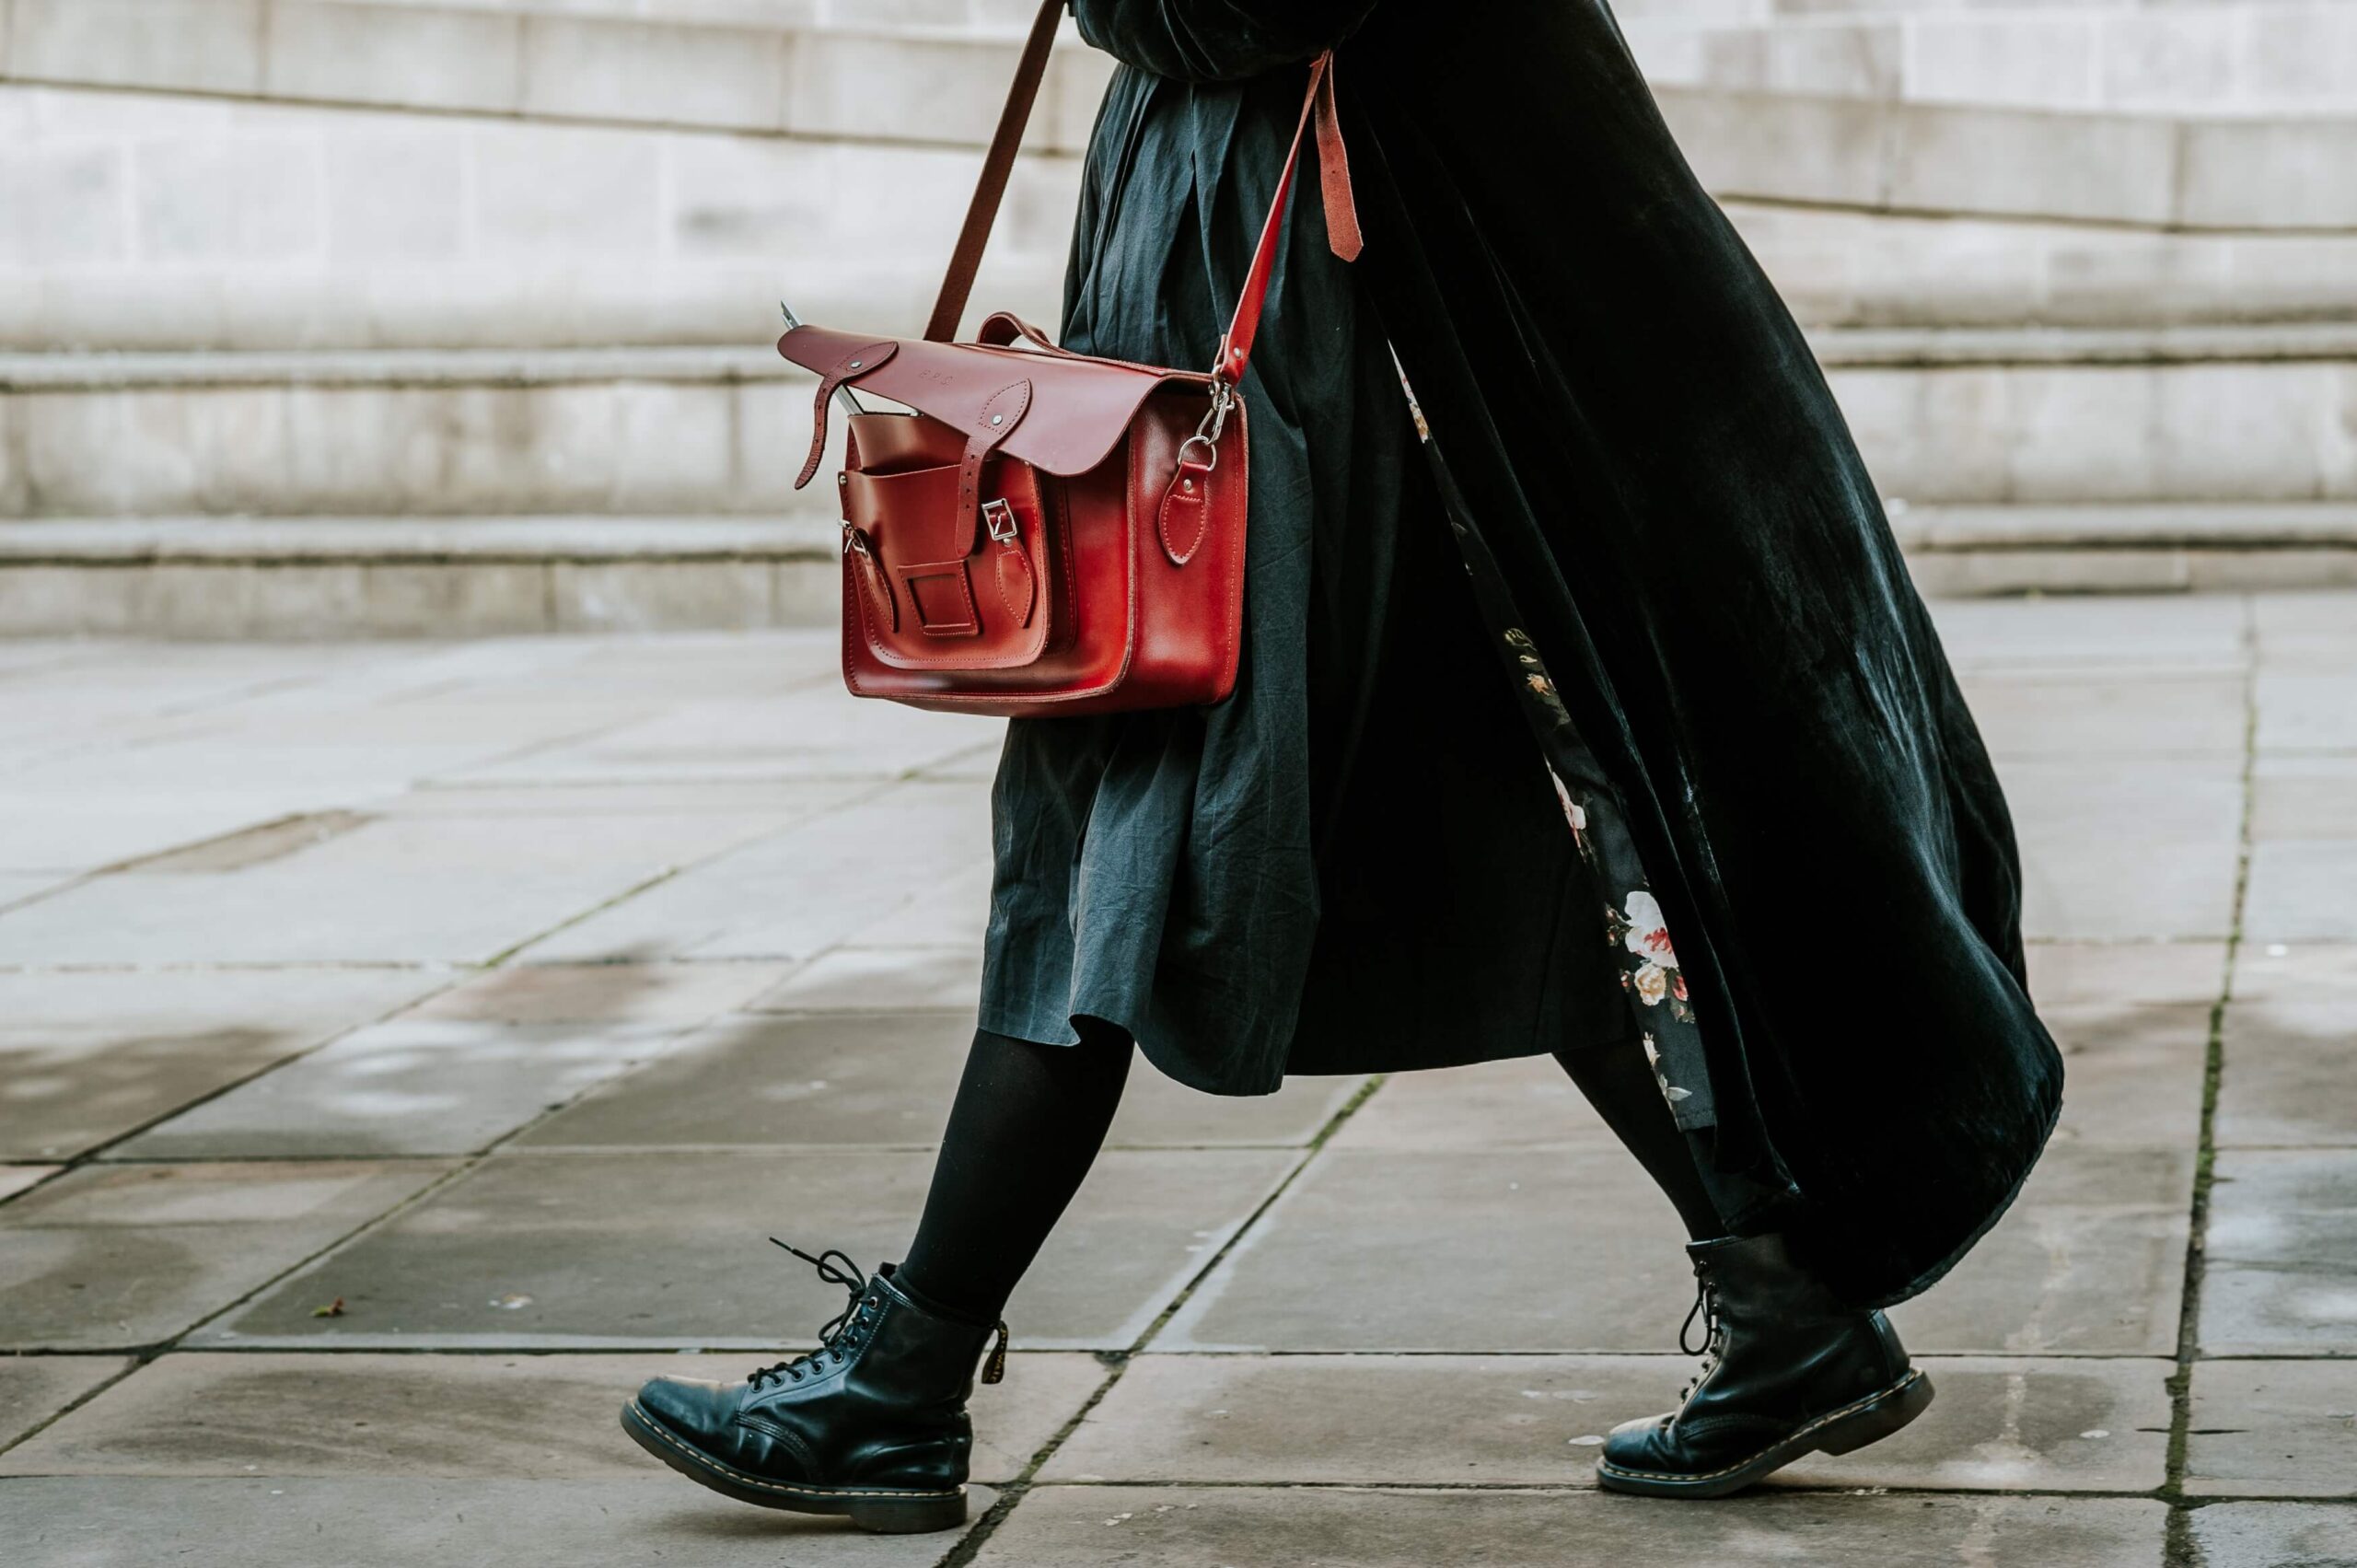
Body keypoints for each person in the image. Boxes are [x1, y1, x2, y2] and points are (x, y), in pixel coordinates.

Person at [620, 0, 2063, 1533]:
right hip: (1326, 313)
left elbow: (1228, 9)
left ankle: (899, 1386)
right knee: (1503, 831)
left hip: (1342, 343)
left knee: (1126, 821)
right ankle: (1788, 1309)